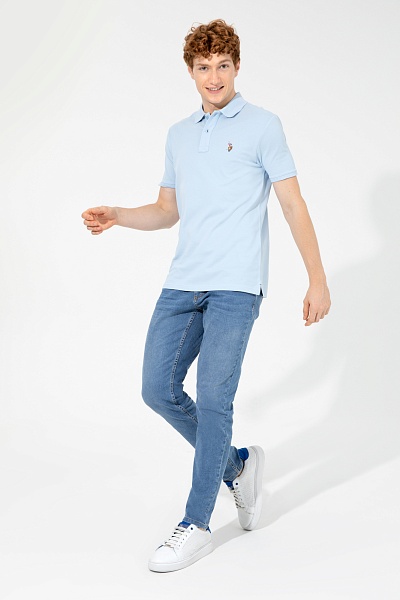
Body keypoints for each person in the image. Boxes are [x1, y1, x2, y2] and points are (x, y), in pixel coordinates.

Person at [81, 19, 331, 573]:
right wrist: (118, 215)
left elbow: (292, 204)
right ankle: (237, 467)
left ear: (237, 67)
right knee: (157, 389)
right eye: (203, 67)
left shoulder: (264, 126)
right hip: (182, 282)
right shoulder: (179, 134)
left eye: (222, 65)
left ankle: (195, 523)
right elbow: (166, 210)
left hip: (236, 286)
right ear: (190, 72)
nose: (213, 76)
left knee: (214, 398)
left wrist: (316, 278)